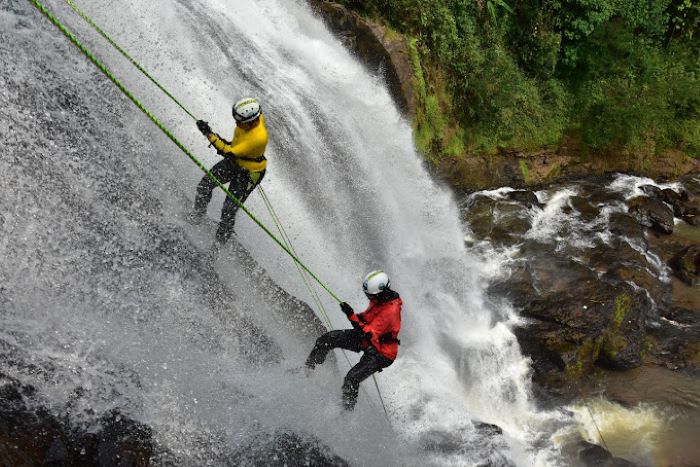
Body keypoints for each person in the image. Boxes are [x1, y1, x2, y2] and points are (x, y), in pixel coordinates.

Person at [305, 270, 402, 411]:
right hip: (368, 340)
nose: (368, 297)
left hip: (381, 354)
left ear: (380, 292)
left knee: (351, 379)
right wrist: (356, 317)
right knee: (327, 339)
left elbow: (366, 332)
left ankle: (347, 415)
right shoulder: (382, 299)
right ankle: (308, 369)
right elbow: (368, 321)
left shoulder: (390, 311)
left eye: (370, 295)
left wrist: (350, 314)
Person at [192, 97, 268, 244]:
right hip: (236, 162)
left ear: (252, 122)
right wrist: (213, 135)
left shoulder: (257, 138)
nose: (237, 123)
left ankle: (217, 248)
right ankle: (197, 215)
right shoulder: (251, 122)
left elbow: (228, 152)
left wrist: (209, 134)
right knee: (205, 185)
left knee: (228, 210)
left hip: (249, 175)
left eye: (240, 121)